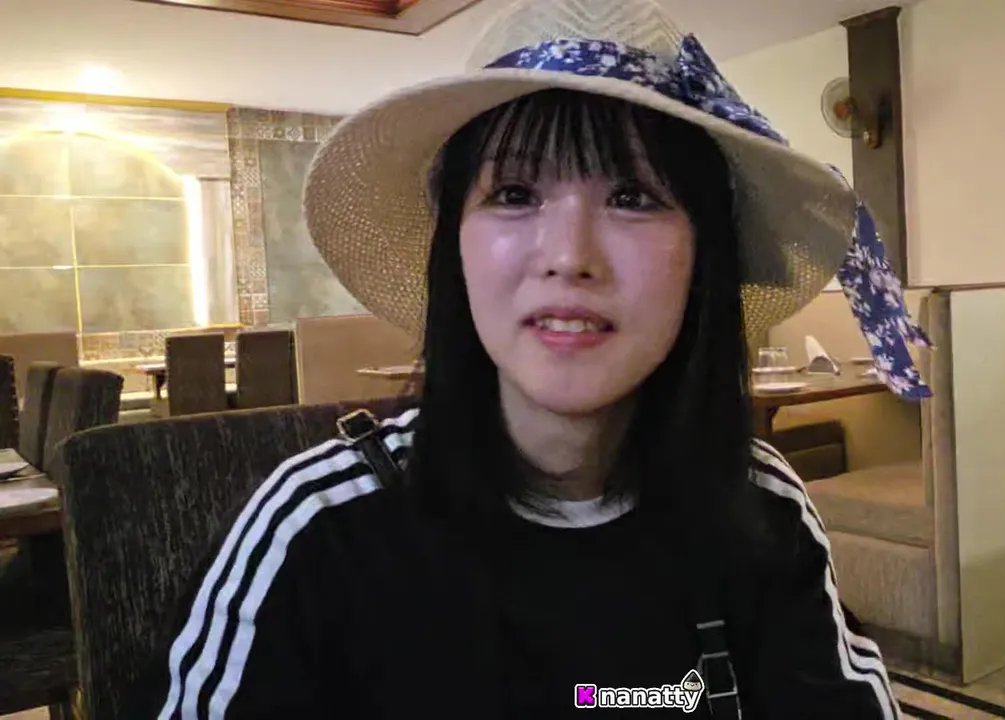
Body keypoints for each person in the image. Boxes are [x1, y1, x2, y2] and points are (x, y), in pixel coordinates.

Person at [130, 0, 931, 717]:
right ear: (454, 251)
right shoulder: (317, 529)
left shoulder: (760, 507)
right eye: (513, 195)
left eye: (634, 196)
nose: (569, 256)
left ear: (704, 260)